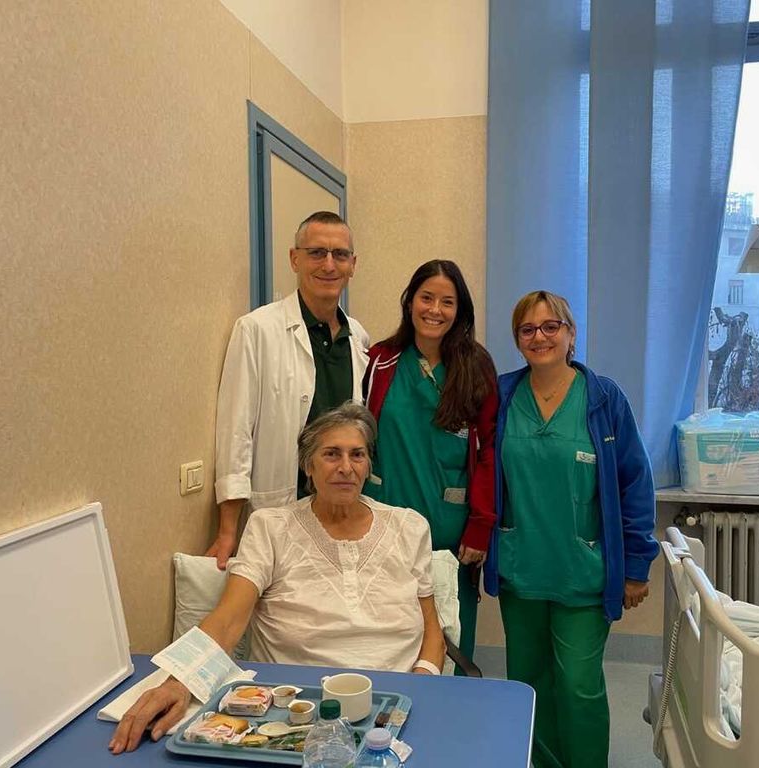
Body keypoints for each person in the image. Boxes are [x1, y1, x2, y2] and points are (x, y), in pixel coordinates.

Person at [110, 403, 446, 755]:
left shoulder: (409, 527)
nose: (346, 467)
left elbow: (432, 630)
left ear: (368, 465)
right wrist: (178, 682)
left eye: (357, 455)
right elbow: (228, 620)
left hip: (395, 703)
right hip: (295, 708)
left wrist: (420, 688)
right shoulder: (271, 527)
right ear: (308, 465)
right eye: (331, 454)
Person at [482, 290, 658, 768]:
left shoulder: (603, 399)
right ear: (517, 339)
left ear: (570, 333)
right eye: (527, 329)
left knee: (579, 685)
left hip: (584, 571)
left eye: (550, 326)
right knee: (528, 683)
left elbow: (635, 482)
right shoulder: (501, 395)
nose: (539, 337)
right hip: (522, 568)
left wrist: (637, 565)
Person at [206, 211, 370, 569]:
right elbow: (236, 431)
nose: (329, 264)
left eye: (340, 254)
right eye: (317, 252)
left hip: (339, 512)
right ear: (294, 259)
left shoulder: (357, 337)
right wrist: (228, 530)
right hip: (280, 510)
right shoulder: (257, 330)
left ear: (353, 265)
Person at [363, 260, 497, 666]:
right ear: (410, 302)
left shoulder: (476, 366)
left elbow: (489, 451)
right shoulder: (380, 361)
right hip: (384, 520)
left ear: (460, 310)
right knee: (389, 640)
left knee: (450, 638)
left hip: (449, 529)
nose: (435, 310)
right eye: (426, 298)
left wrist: (481, 524)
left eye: (447, 301)